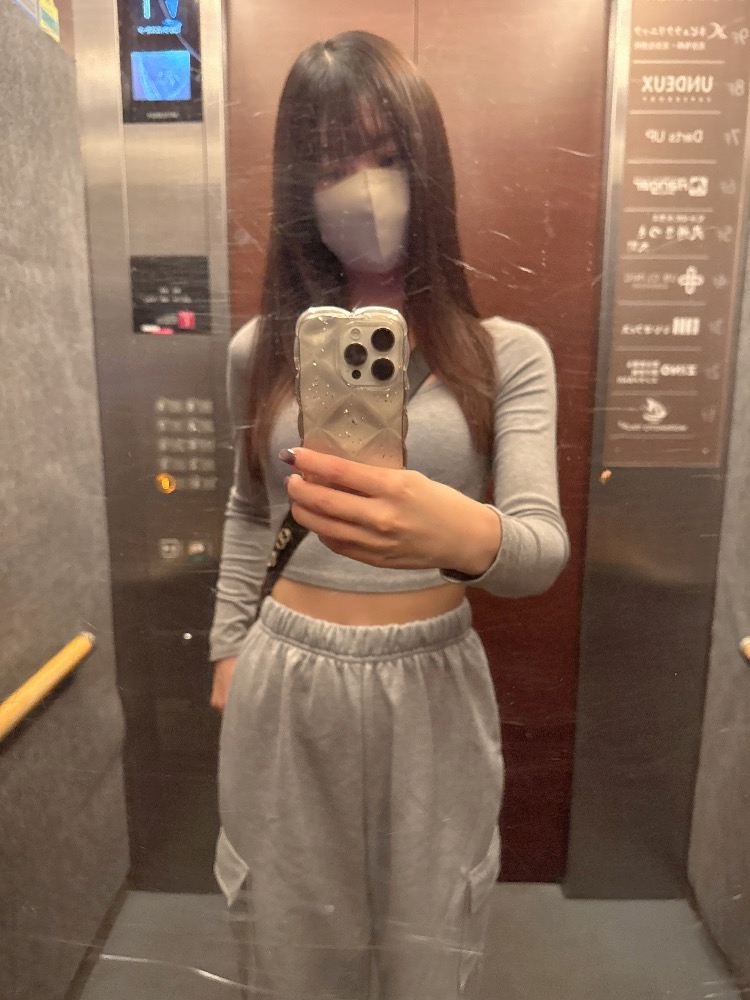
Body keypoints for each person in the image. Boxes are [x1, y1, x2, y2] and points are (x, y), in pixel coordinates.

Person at [208, 29, 569, 1000]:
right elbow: (248, 510)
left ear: (428, 168)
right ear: (299, 189)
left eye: (386, 155)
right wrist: (228, 648)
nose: (362, 189)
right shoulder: (258, 351)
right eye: (331, 165)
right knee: (289, 947)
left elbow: (539, 550)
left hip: (433, 682)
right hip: (286, 676)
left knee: (428, 950)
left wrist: (449, 531)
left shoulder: (505, 355)